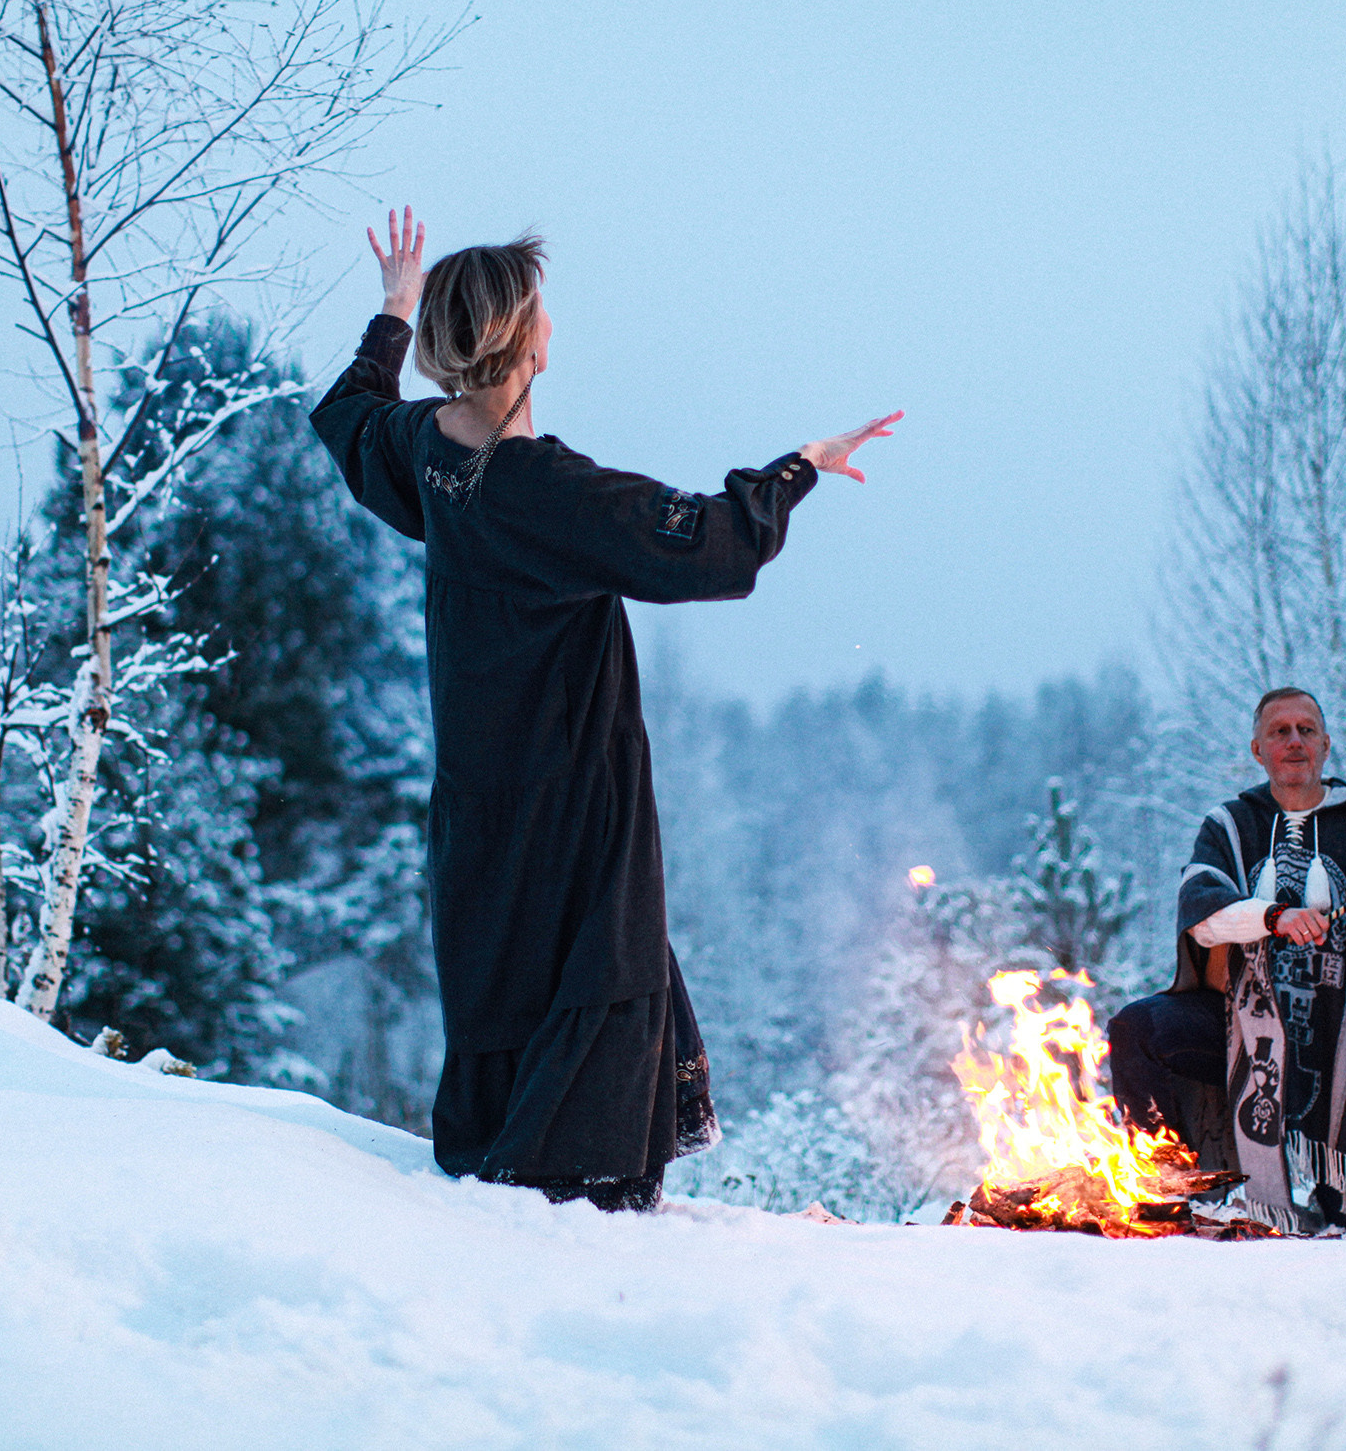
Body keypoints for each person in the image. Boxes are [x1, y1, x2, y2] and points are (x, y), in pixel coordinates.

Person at [310, 209, 902, 1212]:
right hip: (570, 791)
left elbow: (348, 415)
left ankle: (513, 1180)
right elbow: (712, 545)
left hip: (475, 792)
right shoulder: (539, 489)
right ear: (529, 342)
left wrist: (393, 312)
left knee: (508, 985)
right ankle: (576, 1198)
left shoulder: (429, 453)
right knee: (597, 969)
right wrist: (801, 466)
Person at [1108, 687, 1346, 1229]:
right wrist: (1273, 917)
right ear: (1258, 749)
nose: (1294, 742)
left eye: (1306, 730)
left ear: (1325, 745)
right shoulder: (1230, 825)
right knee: (1138, 1028)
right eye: (1280, 731)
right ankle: (1165, 1187)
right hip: (1240, 1030)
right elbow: (1201, 912)